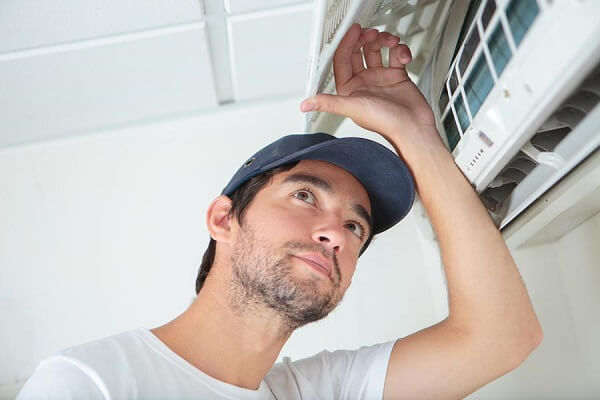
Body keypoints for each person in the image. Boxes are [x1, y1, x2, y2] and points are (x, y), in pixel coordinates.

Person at [18, 23, 542, 399]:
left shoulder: (316, 390)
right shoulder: (91, 382)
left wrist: (417, 136)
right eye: (305, 196)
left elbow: (499, 339)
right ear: (224, 219)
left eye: (356, 225)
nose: (337, 233)